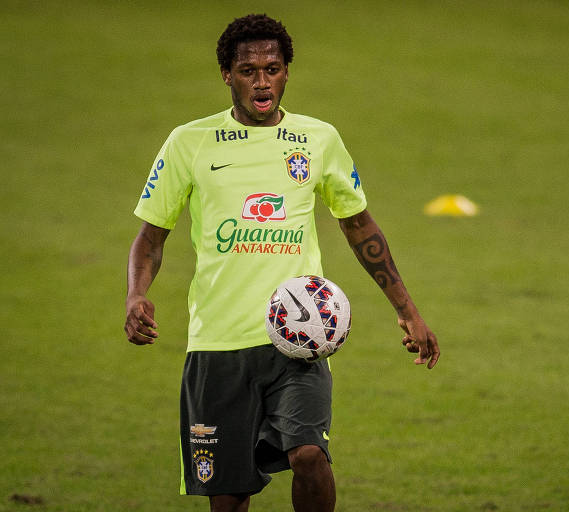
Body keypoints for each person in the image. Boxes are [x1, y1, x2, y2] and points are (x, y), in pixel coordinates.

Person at [123, 13, 440, 512]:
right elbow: (150, 237)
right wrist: (137, 294)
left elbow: (359, 225)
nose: (262, 80)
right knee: (228, 499)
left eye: (272, 68)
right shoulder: (190, 142)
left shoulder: (318, 140)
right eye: (249, 70)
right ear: (227, 75)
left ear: (287, 71)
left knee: (309, 453)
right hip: (218, 343)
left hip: (300, 338)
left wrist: (407, 308)